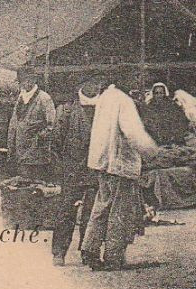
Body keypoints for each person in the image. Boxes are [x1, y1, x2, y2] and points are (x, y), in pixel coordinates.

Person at [82, 80, 160, 271]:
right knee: (120, 212)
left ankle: (89, 249)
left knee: (101, 207)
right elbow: (133, 132)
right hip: (120, 164)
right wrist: (153, 152)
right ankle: (113, 256)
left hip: (102, 163)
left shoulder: (105, 98)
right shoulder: (124, 101)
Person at [50, 77, 102, 265]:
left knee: (93, 214)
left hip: (97, 170)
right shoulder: (66, 110)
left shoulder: (105, 109)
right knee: (66, 212)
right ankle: (59, 252)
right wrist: (64, 167)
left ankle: (89, 252)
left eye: (97, 82)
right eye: (90, 82)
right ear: (81, 85)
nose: (95, 86)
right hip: (72, 171)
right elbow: (55, 143)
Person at [6, 66, 56, 181]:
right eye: (24, 80)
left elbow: (51, 125)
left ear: (35, 80)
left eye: (30, 79)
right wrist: (11, 146)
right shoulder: (21, 98)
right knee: (23, 182)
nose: (27, 83)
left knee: (36, 184)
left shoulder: (44, 98)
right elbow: (14, 123)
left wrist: (38, 138)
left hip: (37, 154)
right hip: (21, 151)